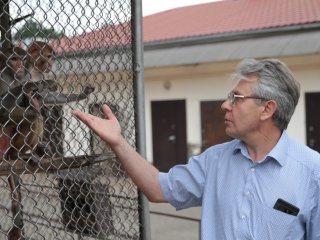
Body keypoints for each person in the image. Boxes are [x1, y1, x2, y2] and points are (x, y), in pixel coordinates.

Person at [72, 58, 320, 240]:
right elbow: (158, 188)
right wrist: (118, 142)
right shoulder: (215, 160)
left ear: (268, 109)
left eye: (237, 98)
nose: (225, 105)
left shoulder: (312, 172)